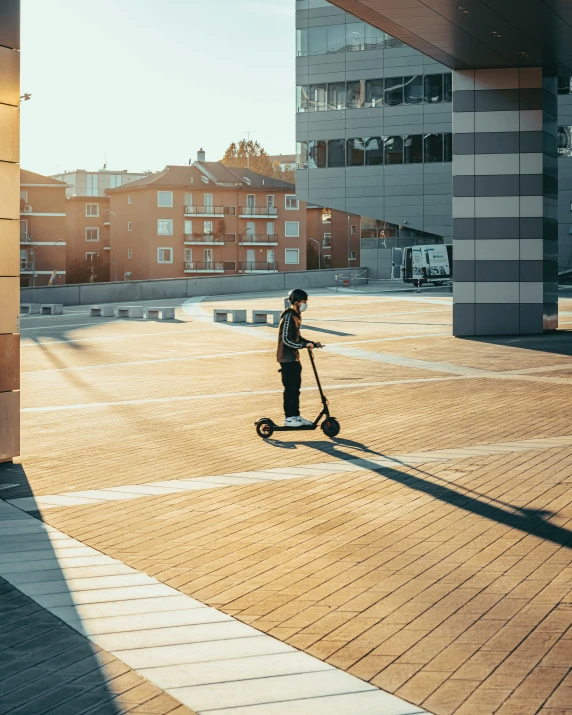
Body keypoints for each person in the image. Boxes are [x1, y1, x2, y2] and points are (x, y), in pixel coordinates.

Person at [277, 288, 319, 426]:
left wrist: (309, 343)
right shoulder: (289, 316)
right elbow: (286, 339)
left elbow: (297, 337)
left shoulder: (296, 315)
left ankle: (296, 415)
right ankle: (289, 418)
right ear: (295, 302)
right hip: (286, 359)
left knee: (296, 389)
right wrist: (303, 345)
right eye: (303, 302)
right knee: (290, 389)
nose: (304, 304)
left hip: (294, 358)